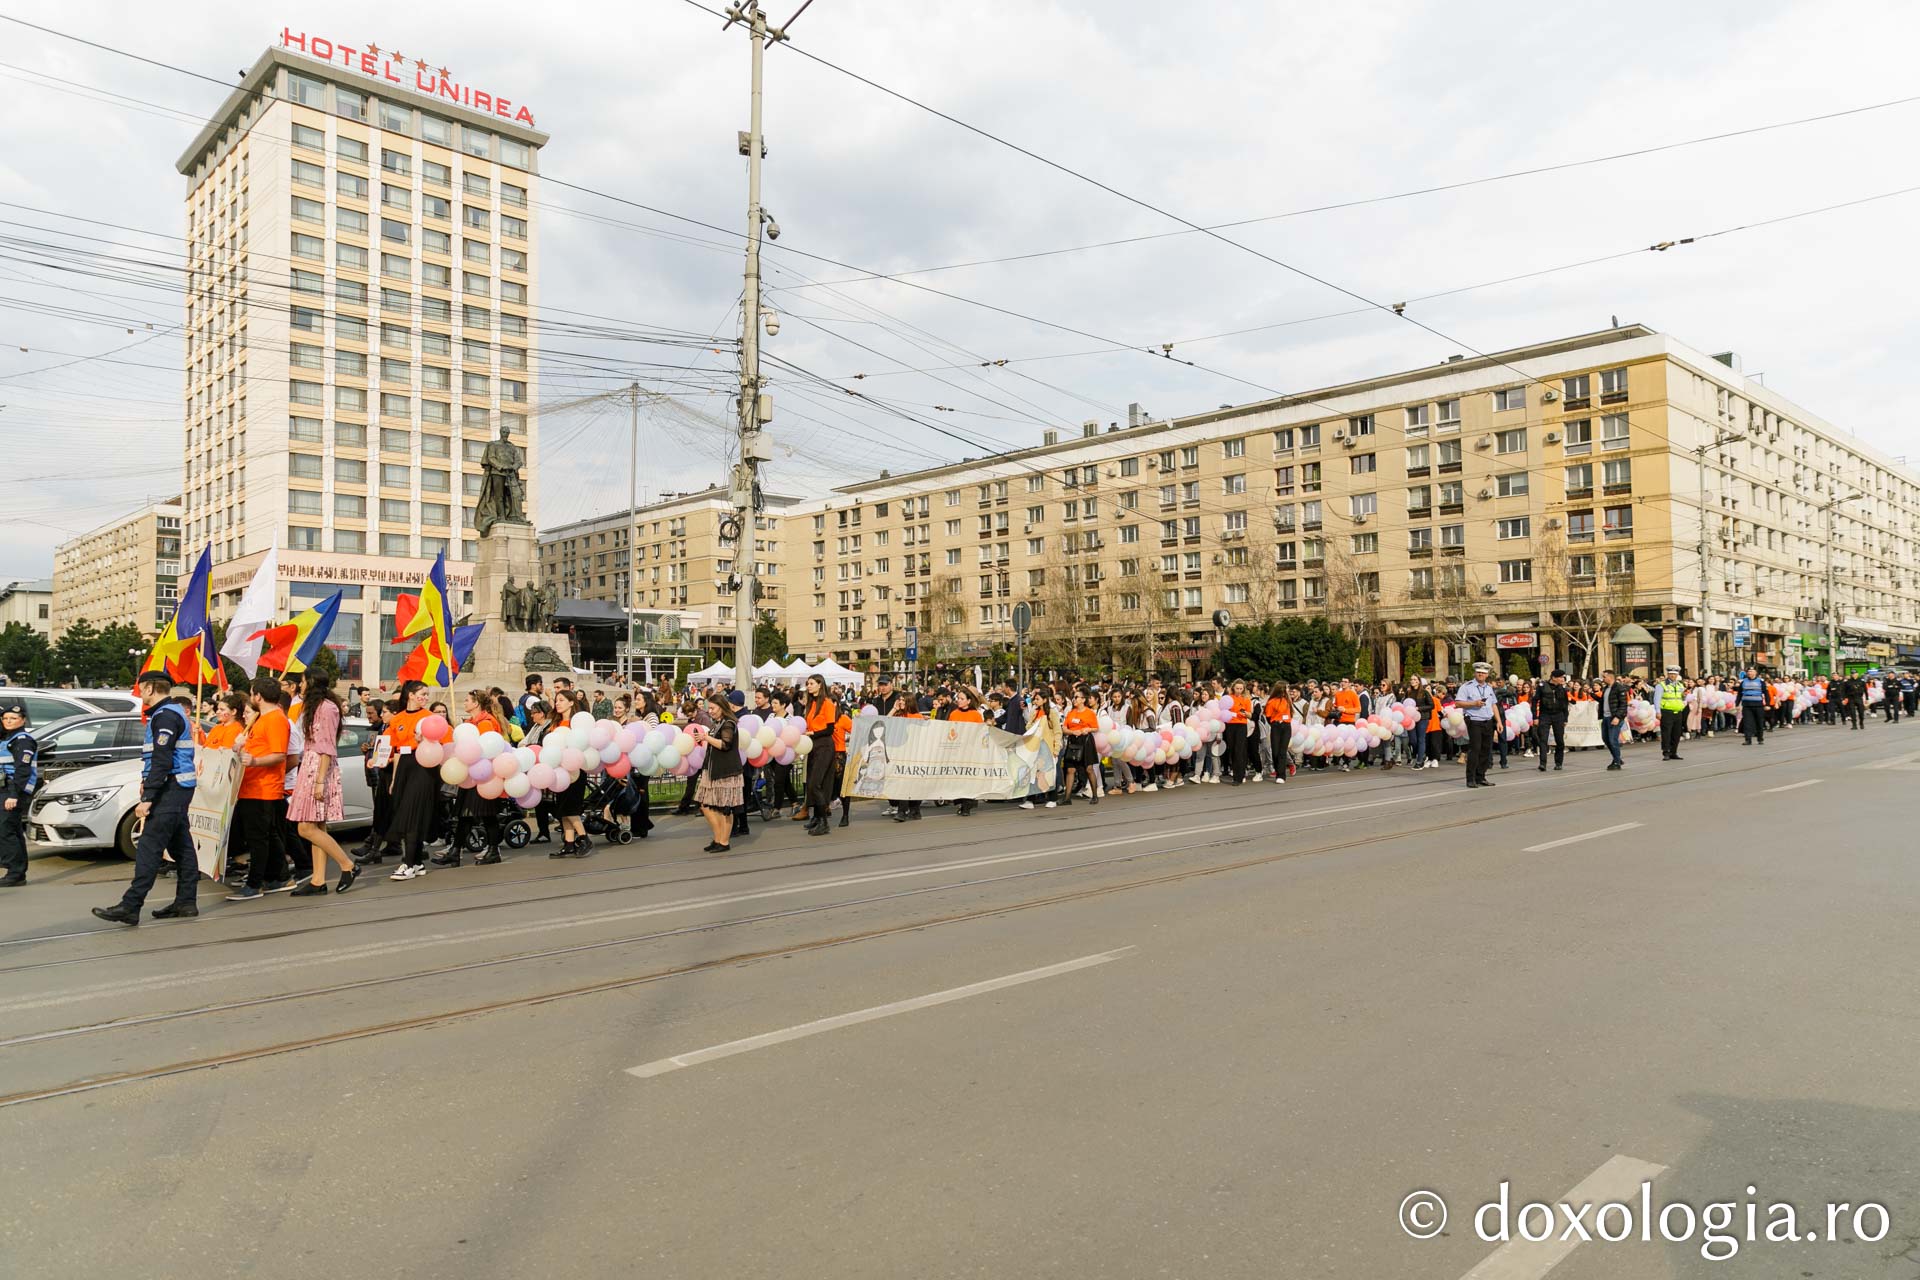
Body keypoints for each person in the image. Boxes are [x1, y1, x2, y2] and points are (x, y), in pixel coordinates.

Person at [93, 674, 202, 924]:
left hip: (171, 788)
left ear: (151, 688)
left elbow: (163, 760)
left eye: (141, 689)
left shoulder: (165, 716)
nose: (139, 693)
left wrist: (149, 797)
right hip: (176, 787)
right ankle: (186, 902)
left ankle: (130, 906)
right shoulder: (167, 713)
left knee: (149, 847)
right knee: (180, 846)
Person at [287, 671, 359, 896]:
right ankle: (318, 880)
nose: (300, 685)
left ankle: (348, 864)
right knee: (316, 826)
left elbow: (327, 746)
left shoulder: (327, 708)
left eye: (302, 681)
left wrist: (320, 781)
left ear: (310, 682)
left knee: (305, 827)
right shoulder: (313, 707)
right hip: (310, 764)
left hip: (319, 767)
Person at [228, 677, 294, 900]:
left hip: (263, 787)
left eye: (252, 693)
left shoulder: (275, 719)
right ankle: (278, 877)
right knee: (268, 835)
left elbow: (279, 755)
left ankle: (255, 883)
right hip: (253, 786)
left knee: (258, 838)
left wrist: (254, 761)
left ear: (258, 696)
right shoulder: (263, 718)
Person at [384, 681, 439, 881]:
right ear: (411, 695)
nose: (425, 697)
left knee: (412, 814)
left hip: (423, 767)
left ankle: (408, 863)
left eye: (426, 694)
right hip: (405, 767)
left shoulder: (429, 718)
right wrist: (395, 779)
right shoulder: (396, 719)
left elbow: (439, 744)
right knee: (404, 812)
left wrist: (423, 741)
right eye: (422, 694)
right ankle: (417, 862)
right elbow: (397, 750)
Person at [695, 693, 743, 852]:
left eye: (713, 708)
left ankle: (723, 841)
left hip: (725, 771)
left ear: (722, 708)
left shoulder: (728, 723)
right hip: (714, 770)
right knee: (707, 805)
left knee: (724, 808)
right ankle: (718, 838)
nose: (710, 711)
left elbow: (725, 744)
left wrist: (706, 738)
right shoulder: (718, 723)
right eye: (709, 708)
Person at [548, 687, 592, 857]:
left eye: (561, 700)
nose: (557, 703)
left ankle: (584, 838)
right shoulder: (555, 723)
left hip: (574, 769)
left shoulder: (576, 723)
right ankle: (569, 843)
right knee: (563, 809)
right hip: (559, 771)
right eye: (556, 700)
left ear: (571, 702)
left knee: (570, 809)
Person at [0, 698, 39, 887]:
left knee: (7, 831)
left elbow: (22, 771)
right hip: (7, 789)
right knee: (12, 830)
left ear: (23, 720)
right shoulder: (8, 739)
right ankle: (17, 871)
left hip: (13, 790)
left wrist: (13, 795)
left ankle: (14, 872)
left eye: (13, 718)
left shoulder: (23, 741)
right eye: (5, 718)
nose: (8, 721)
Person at [800, 674, 838, 837]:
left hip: (824, 745)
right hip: (813, 746)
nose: (808, 686)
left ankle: (824, 822)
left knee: (816, 784)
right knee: (811, 783)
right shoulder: (811, 703)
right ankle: (817, 816)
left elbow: (830, 729)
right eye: (807, 684)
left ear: (820, 685)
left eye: (811, 684)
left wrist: (812, 733)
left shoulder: (828, 703)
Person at [1454, 661, 1499, 788]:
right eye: (1478, 672)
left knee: (1486, 750)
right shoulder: (1466, 687)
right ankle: (1470, 778)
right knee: (1475, 749)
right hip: (1474, 720)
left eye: (1483, 673)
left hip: (1488, 721)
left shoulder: (1489, 688)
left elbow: (1493, 705)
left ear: (1487, 675)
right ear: (1475, 673)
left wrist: (1499, 722)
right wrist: (1474, 703)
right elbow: (1458, 703)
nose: (1481, 675)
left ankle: (1481, 776)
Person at [1060, 688, 1099, 806]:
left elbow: (1096, 727)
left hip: (1085, 741)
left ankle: (1095, 795)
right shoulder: (1071, 712)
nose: (1074, 699)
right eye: (1074, 697)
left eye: (1077, 697)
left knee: (1089, 768)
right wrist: (1072, 732)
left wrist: (1088, 729)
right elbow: (1064, 727)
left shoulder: (1089, 713)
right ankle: (1067, 798)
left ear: (1083, 699)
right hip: (1073, 741)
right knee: (1070, 769)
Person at [1534, 669, 1571, 771]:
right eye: (1561, 677)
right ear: (1554, 678)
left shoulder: (1562, 688)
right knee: (1543, 740)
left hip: (1558, 716)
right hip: (1545, 715)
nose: (1563, 679)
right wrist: (1535, 717)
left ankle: (1558, 763)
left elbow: (1565, 704)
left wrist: (1565, 718)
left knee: (1560, 741)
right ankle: (1543, 763)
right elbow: (1534, 701)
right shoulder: (1542, 687)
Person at [1598, 670, 1628, 770]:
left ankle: (1616, 762)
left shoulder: (1619, 688)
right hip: (1606, 718)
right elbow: (1604, 701)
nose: (1603, 678)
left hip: (1614, 717)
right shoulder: (1606, 688)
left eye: (1604, 676)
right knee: (1605, 738)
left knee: (1612, 739)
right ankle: (1617, 758)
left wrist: (1618, 717)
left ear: (1610, 677)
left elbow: (1623, 705)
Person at [1656, 666, 1687, 760]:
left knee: (1676, 733)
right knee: (1666, 733)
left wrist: (1684, 697)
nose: (1673, 675)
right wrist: (1658, 711)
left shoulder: (1680, 685)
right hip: (1666, 712)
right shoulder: (1661, 685)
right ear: (1668, 674)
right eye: (1671, 674)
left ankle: (1674, 752)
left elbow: (1681, 698)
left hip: (1678, 712)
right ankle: (1666, 752)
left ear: (1677, 675)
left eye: (1675, 674)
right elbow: (1657, 699)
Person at [1737, 665, 1769, 745]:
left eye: (1751, 671)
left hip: (1758, 705)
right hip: (1747, 705)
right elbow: (1739, 694)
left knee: (1759, 722)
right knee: (1747, 723)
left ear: (1755, 673)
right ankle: (1748, 739)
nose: (1749, 673)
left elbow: (1766, 693)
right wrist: (1737, 703)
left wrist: (1767, 704)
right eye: (1748, 672)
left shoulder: (1760, 681)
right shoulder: (1743, 682)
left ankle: (1760, 738)